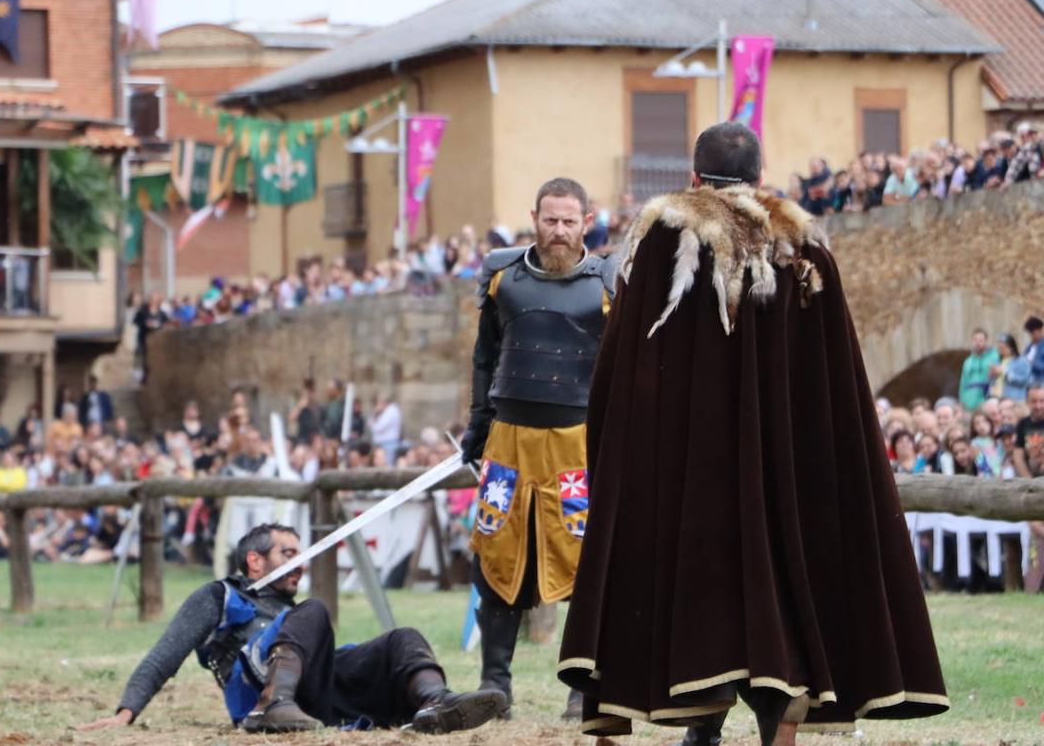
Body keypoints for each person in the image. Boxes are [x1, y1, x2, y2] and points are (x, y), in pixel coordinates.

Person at [559, 123, 947, 745]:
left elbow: (619, 370)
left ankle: (694, 722)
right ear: (761, 179)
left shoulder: (658, 244)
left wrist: (617, 456)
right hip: (778, 480)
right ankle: (772, 726)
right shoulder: (804, 250)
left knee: (686, 593)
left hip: (685, 478)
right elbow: (837, 385)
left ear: (693, 178)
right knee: (778, 595)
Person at [78, 523, 506, 734]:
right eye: (288, 553)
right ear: (255, 561)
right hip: (255, 687)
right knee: (315, 610)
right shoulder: (218, 597)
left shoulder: (294, 610)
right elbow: (165, 653)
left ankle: (435, 705)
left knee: (402, 638)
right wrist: (126, 712)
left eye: (301, 554)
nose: (300, 562)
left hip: (312, 694)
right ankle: (273, 705)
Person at [460, 176, 616, 720]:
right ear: (534, 217)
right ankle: (494, 685)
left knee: (582, 554)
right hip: (508, 444)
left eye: (569, 221)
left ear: (587, 222)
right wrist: (476, 429)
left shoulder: (609, 281)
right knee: (496, 549)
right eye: (550, 219)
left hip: (576, 448)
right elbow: (485, 358)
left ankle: (583, 688)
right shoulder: (502, 277)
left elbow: (621, 373)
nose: (558, 231)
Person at [958, 328, 999, 412]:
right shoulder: (968, 361)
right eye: (975, 340)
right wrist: (961, 399)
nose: (978, 343)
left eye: (981, 340)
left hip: (987, 398)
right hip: (969, 400)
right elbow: (963, 382)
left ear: (986, 341)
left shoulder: (995, 356)